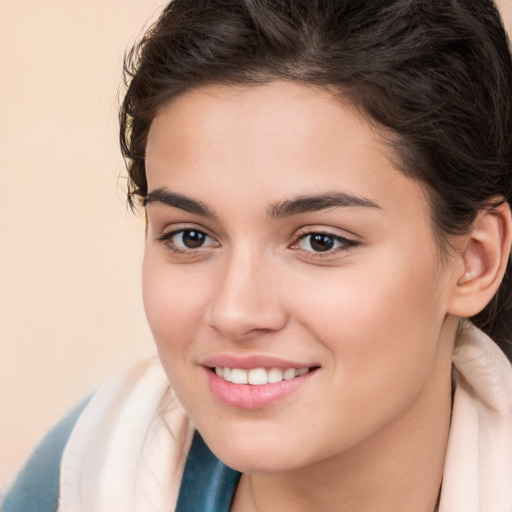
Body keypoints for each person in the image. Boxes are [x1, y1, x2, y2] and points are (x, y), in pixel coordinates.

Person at [2, 0, 512, 511]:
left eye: (320, 241)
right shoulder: (72, 477)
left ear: (475, 260)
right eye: (191, 237)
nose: (235, 312)